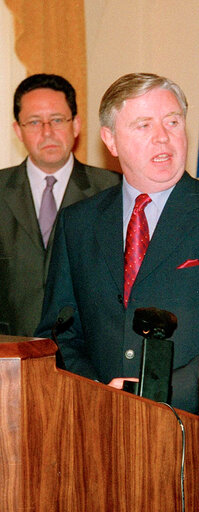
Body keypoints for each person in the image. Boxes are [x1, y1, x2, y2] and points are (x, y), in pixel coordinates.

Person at [35, 73, 199, 414]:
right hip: (95, 420)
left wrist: (151, 393)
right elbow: (59, 334)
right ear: (111, 140)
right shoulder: (79, 222)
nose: (163, 138)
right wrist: (98, 391)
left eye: (173, 122)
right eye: (143, 125)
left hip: (192, 425)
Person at [0, 74, 119, 336]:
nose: (47, 132)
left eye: (56, 120)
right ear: (17, 130)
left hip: (86, 356)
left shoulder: (113, 190)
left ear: (75, 125)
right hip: (8, 353)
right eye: (34, 122)